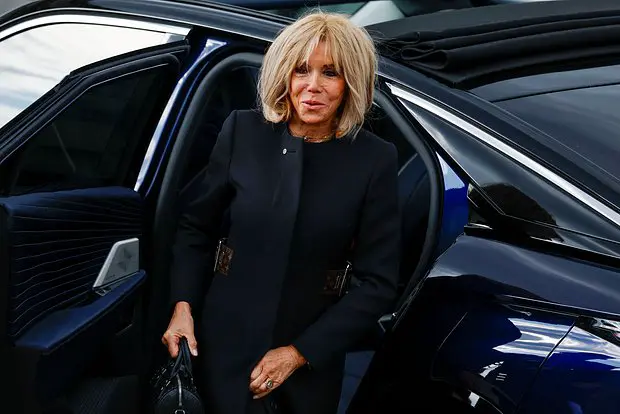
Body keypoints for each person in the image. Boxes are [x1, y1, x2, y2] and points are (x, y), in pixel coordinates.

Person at [162, 11, 401, 414]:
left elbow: (378, 284)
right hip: (219, 343)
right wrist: (182, 307)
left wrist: (298, 353)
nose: (313, 86)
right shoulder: (242, 131)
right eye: (301, 70)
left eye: (331, 73)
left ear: (351, 83)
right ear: (284, 75)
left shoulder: (374, 159)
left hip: (306, 362)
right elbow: (195, 229)